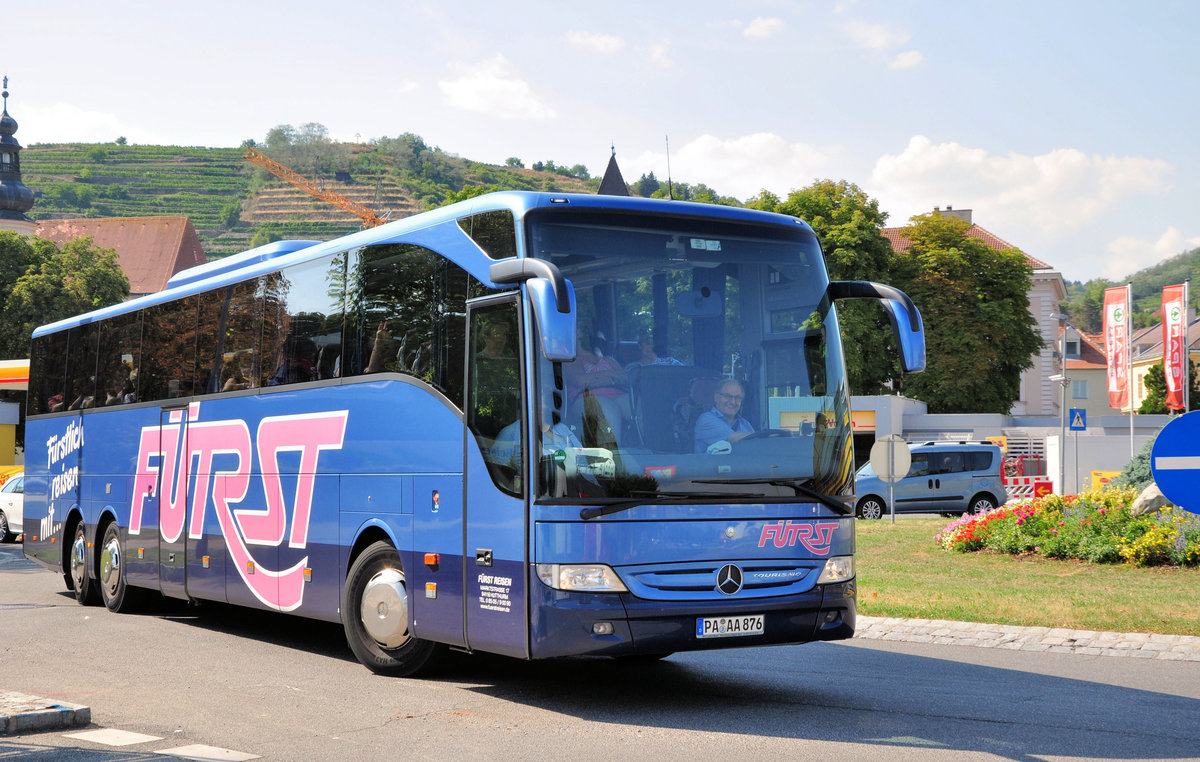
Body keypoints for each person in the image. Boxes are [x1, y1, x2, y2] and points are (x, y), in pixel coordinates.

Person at [563, 326, 631, 444]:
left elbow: (625, 378)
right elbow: (579, 380)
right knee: (607, 412)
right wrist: (610, 375)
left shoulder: (608, 360)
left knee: (641, 409)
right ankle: (613, 459)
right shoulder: (572, 360)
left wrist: (603, 379)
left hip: (619, 395)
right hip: (586, 397)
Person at [694, 378, 754, 453]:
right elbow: (733, 439)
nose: (733, 402)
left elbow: (756, 447)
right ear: (716, 397)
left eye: (737, 398)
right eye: (727, 396)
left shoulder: (745, 423)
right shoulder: (706, 419)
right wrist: (762, 435)